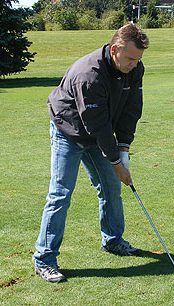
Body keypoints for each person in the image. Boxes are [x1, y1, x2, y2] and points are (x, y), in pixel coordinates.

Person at [33, 24, 149, 283]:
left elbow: (131, 110)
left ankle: (113, 240)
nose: (134, 64)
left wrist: (124, 149)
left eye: (138, 59)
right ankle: (44, 259)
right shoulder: (89, 73)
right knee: (60, 194)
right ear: (115, 49)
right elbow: (96, 125)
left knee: (111, 189)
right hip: (69, 131)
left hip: (98, 130)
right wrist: (117, 163)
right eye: (130, 58)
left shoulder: (134, 68)